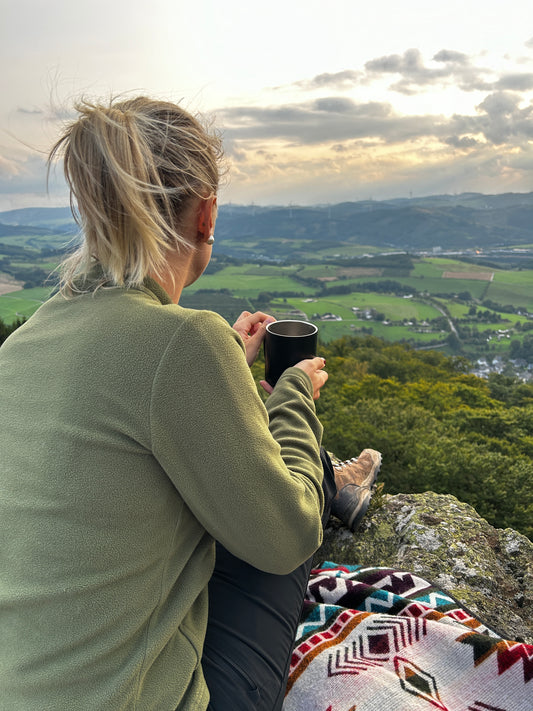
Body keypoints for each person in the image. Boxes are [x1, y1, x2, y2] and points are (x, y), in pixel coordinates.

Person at [0, 96, 381, 710]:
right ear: (205, 215)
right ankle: (326, 482)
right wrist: (293, 399)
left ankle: (326, 477)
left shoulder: (23, 344)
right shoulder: (183, 342)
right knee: (275, 521)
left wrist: (226, 360)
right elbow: (284, 538)